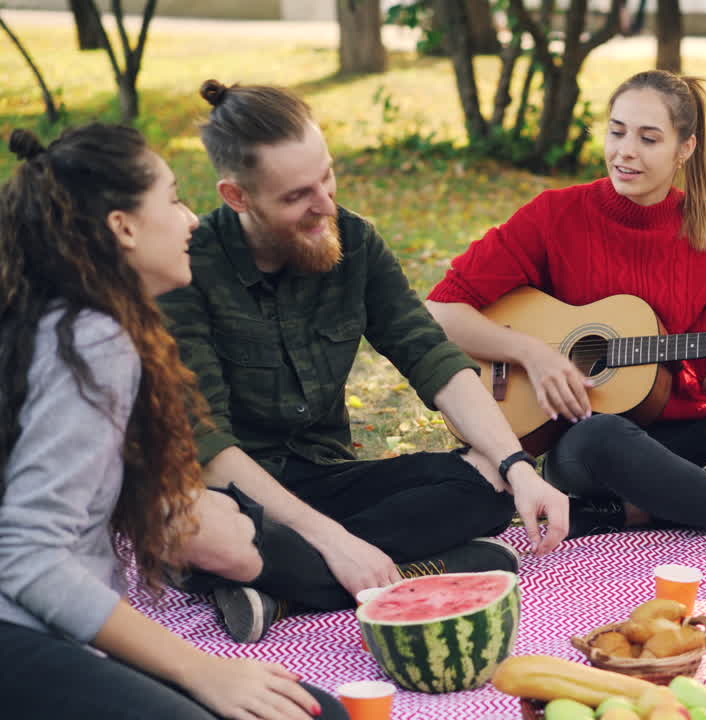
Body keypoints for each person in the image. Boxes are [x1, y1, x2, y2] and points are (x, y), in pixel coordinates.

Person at [157, 80, 569, 644]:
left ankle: (281, 588)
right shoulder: (183, 269)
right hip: (237, 494)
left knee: (486, 480)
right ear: (238, 197)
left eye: (326, 175)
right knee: (203, 533)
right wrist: (334, 540)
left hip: (324, 477)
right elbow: (209, 447)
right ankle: (423, 565)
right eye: (297, 195)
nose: (325, 203)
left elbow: (431, 356)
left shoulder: (354, 239)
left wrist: (520, 466)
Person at [0, 124, 348, 719]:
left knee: (314, 711)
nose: (191, 219)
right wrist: (201, 670)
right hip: (20, 637)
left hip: (41, 628)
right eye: (172, 198)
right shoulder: (92, 338)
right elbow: (27, 555)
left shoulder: (62, 322)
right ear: (124, 228)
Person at [426, 70, 706, 541]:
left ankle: (630, 513)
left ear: (684, 149)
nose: (625, 150)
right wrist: (534, 354)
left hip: (680, 438)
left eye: (648, 139)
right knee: (602, 434)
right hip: (586, 443)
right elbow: (442, 312)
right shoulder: (555, 215)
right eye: (616, 131)